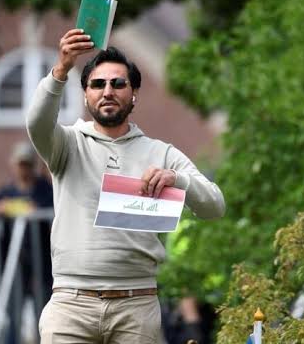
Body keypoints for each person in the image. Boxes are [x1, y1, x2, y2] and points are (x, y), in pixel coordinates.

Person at [27, 29, 226, 344]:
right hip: (70, 304)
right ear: (85, 95)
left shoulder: (161, 153)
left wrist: (178, 180)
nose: (108, 91)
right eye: (98, 84)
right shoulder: (66, 144)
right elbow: (36, 124)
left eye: (118, 83)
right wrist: (61, 69)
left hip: (137, 306)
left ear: (134, 94)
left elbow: (215, 206)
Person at [0, 141, 54, 343]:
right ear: (13, 165)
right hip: (14, 267)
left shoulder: (45, 190)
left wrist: (38, 210)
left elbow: (59, 208)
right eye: (20, 164)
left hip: (42, 268)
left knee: (44, 320)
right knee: (13, 320)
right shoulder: (7, 192)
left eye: (28, 164)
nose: (24, 169)